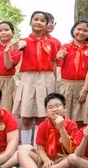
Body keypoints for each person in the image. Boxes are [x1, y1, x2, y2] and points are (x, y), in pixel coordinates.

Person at [13, 11, 59, 146]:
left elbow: (54, 63)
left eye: (42, 21)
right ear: (30, 22)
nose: (38, 22)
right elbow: (21, 45)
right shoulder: (25, 41)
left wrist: (54, 83)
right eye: (36, 19)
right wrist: (20, 45)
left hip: (47, 79)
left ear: (46, 24)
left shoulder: (52, 43)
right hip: (29, 79)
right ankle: (25, 148)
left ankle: (38, 148)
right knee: (26, 117)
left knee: (42, 117)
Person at [10, 93, 78, 168]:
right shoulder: (43, 125)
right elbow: (40, 149)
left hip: (63, 159)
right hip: (45, 158)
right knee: (21, 152)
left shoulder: (72, 125)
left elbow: (70, 149)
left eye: (57, 106)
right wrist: (46, 160)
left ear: (65, 108)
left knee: (71, 159)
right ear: (46, 111)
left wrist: (61, 128)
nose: (54, 109)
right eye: (50, 107)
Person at [56, 20, 88, 125]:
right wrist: (58, 57)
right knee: (65, 117)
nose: (81, 32)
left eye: (85, 30)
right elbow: (58, 64)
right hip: (66, 86)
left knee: (81, 119)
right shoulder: (65, 47)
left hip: (83, 86)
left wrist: (85, 89)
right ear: (73, 30)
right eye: (79, 29)